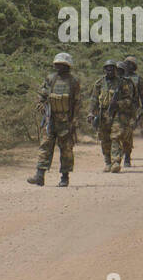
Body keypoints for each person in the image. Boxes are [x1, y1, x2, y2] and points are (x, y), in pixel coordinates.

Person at [27, 52, 81, 187]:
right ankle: (40, 175)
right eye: (57, 64)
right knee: (45, 146)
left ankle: (65, 177)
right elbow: (42, 95)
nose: (59, 67)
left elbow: (77, 103)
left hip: (65, 121)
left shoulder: (73, 82)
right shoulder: (51, 79)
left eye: (62, 65)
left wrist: (74, 121)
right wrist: (41, 106)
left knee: (66, 149)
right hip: (50, 119)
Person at [88, 59, 136, 173]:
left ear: (116, 70)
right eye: (107, 68)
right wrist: (90, 113)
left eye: (112, 68)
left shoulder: (122, 83)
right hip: (103, 114)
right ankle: (108, 162)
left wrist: (118, 104)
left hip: (118, 114)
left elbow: (129, 99)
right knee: (104, 139)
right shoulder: (99, 83)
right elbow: (93, 99)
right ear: (104, 70)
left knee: (116, 137)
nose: (110, 70)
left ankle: (116, 162)